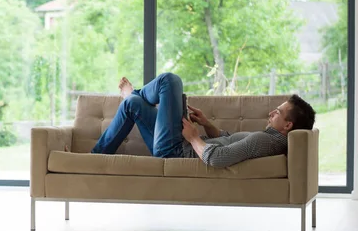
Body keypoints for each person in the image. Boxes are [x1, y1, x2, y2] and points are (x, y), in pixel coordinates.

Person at [91, 73, 316, 168]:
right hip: (178, 147)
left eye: (277, 112)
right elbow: (228, 141)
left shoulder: (264, 142)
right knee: (133, 106)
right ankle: (94, 158)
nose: (271, 113)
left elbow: (218, 158)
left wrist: (194, 137)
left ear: (288, 126)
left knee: (169, 81)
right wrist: (207, 124)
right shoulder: (267, 139)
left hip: (178, 150)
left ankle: (134, 92)